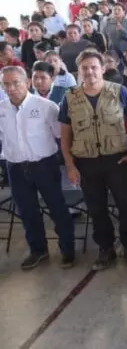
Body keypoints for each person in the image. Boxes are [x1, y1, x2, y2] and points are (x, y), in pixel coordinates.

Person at [59, 49, 127, 270]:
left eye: (94, 67)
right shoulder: (70, 97)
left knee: (126, 205)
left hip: (117, 160)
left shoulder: (119, 91)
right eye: (84, 68)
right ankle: (106, 248)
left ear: (103, 68)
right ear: (79, 71)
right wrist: (70, 165)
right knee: (96, 208)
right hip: (86, 162)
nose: (90, 72)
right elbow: (65, 134)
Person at [0, 66, 75, 270]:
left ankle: (67, 249)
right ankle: (38, 250)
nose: (11, 88)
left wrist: (69, 163)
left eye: (15, 83)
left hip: (44, 165)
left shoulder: (46, 107)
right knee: (27, 211)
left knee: (57, 208)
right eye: (6, 84)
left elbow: (62, 137)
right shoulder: (2, 109)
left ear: (27, 83)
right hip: (15, 167)